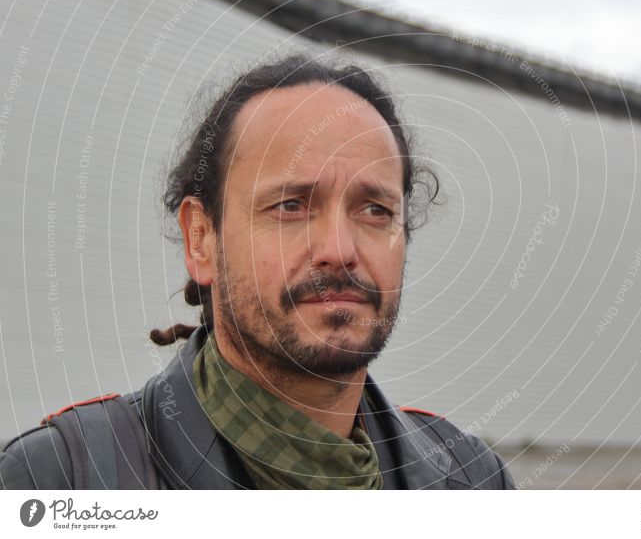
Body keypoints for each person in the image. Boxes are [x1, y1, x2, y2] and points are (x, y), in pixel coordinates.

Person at [0, 54, 515, 490]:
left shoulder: (472, 481)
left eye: (375, 210)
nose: (339, 250)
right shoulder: (65, 479)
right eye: (290, 205)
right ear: (200, 239)